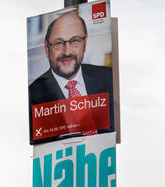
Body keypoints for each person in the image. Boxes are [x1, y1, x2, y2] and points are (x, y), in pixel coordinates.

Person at [29, 11, 114, 141]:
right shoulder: (33, 96)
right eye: (58, 43)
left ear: (84, 43)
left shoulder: (107, 77)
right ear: (47, 48)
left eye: (75, 41)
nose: (67, 52)